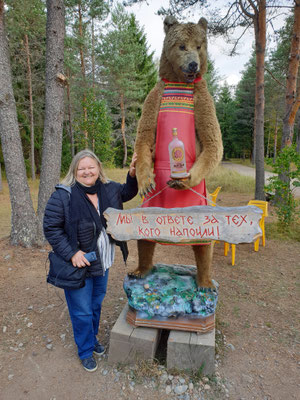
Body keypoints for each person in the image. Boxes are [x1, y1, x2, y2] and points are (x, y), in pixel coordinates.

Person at [43, 149, 138, 372]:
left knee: (95, 304)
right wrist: (72, 254)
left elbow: (127, 192)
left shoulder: (108, 189)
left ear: (98, 168)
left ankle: (92, 339)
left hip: (102, 262)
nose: (87, 172)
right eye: (81, 168)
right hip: (77, 265)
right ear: (74, 171)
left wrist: (132, 175)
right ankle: (85, 350)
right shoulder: (63, 195)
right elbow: (51, 227)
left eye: (91, 167)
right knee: (82, 310)